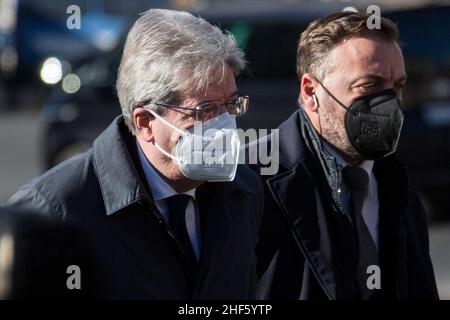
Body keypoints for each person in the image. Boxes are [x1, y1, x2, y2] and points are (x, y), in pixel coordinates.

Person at [7, 9, 263, 299]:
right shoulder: (54, 211)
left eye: (230, 105)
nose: (224, 123)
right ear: (145, 122)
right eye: (205, 110)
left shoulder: (244, 192)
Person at [255, 12, 439, 300]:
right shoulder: (251, 185)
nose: (388, 103)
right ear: (310, 91)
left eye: (398, 87)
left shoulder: (401, 196)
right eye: (369, 85)